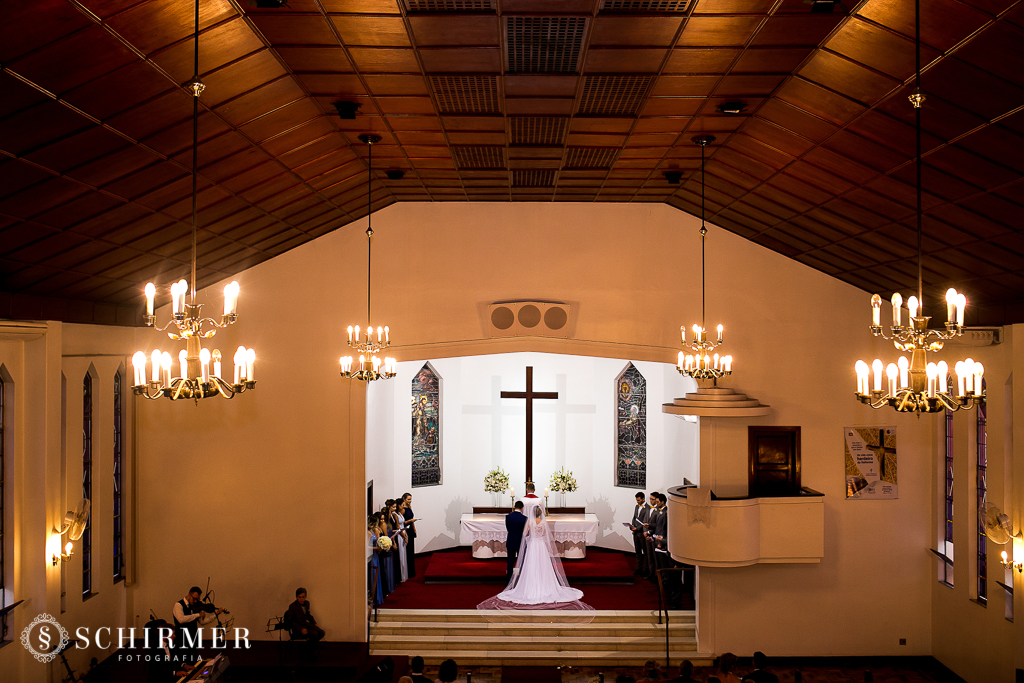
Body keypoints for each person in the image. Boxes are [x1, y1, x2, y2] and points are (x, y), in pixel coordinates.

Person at [490, 504, 585, 605]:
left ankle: (530, 587)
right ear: (540, 513)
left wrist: (530, 535)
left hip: (532, 545)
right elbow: (545, 535)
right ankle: (545, 586)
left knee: (532, 565)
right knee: (543, 565)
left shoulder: (529, 522)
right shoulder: (543, 522)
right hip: (541, 545)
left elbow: (524, 534)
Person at [172, 586, 221, 658]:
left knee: (192, 660)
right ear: (189, 594)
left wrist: (215, 614)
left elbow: (202, 622)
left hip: (193, 639)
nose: (195, 601)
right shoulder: (178, 605)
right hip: (181, 639)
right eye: (194, 598)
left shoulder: (196, 606)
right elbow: (181, 619)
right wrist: (198, 614)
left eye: (197, 599)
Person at [144, 619, 194, 683]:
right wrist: (175, 673)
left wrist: (184, 665)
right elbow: (158, 671)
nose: (175, 636)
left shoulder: (171, 644)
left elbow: (175, 660)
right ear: (164, 636)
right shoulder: (154, 650)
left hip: (168, 676)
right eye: (172, 634)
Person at [505, 501, 528, 583]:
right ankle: (521, 581)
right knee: (521, 562)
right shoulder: (524, 518)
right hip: (520, 542)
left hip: (511, 541)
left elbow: (508, 529)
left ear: (514, 506)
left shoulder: (508, 517)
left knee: (510, 562)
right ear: (522, 508)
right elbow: (525, 532)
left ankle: (508, 581)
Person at [629, 491, 650, 576]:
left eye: (638, 500)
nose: (637, 502)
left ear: (643, 499)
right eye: (636, 500)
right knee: (637, 551)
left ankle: (647, 569)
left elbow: (646, 521)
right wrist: (632, 525)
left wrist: (637, 528)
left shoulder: (648, 508)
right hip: (635, 533)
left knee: (645, 552)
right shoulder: (637, 507)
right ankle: (639, 568)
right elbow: (634, 517)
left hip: (642, 533)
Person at [368, 515, 384, 607]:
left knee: (376, 575)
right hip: (372, 555)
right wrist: (375, 548)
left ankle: (377, 597)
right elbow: (366, 546)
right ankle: (373, 599)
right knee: (373, 575)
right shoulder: (368, 533)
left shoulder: (373, 531)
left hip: (375, 555)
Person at [393, 498, 409, 583]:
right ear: (399, 505)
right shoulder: (395, 514)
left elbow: (403, 524)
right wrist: (404, 536)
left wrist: (406, 534)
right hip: (399, 535)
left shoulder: (400, 513)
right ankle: (401, 576)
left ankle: (404, 575)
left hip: (403, 533)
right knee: (401, 556)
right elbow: (398, 527)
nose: (404, 506)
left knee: (404, 555)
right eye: (403, 505)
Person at [401, 492, 417, 578]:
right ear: (404, 499)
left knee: (411, 550)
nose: (410, 501)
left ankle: (411, 571)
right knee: (407, 550)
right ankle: (407, 572)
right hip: (405, 530)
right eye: (408, 499)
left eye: (410, 499)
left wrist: (414, 529)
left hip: (410, 529)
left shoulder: (409, 508)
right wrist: (411, 522)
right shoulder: (402, 509)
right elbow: (401, 522)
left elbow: (411, 520)